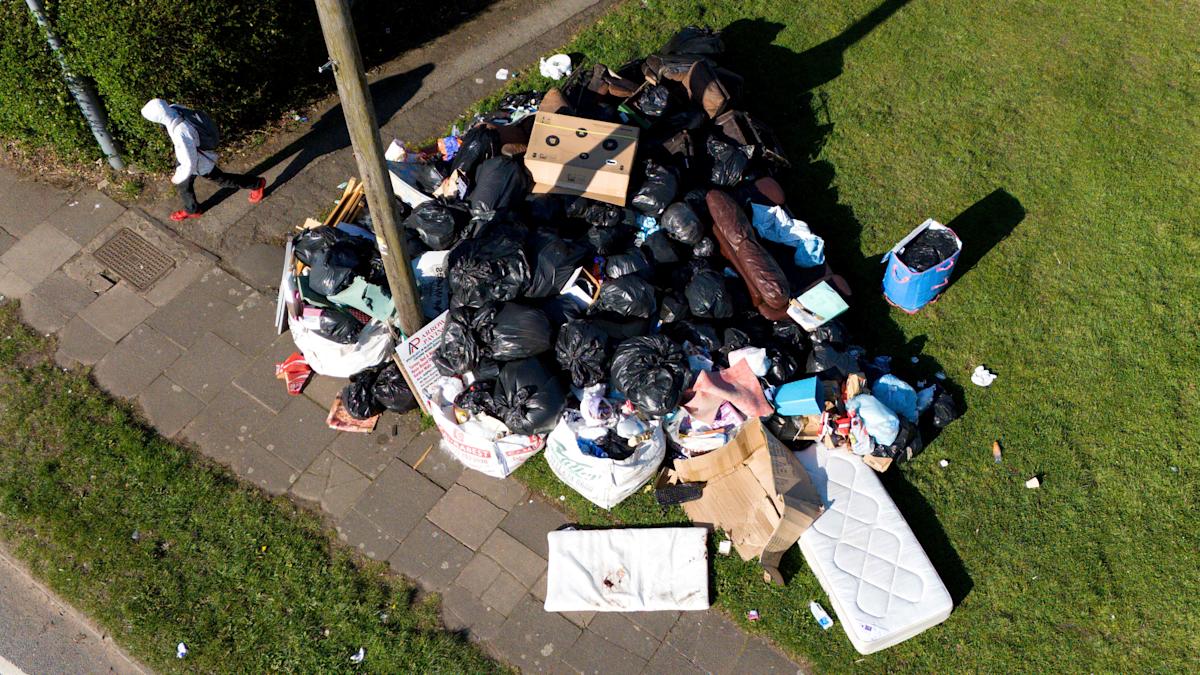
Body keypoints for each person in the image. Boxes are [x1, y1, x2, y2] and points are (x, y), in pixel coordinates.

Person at [140, 98, 266, 222]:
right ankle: (192, 210)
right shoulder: (174, 108)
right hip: (191, 155)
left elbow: (189, 162)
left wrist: (177, 177)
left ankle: (256, 184)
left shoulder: (180, 131)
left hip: (199, 162)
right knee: (184, 185)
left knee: (222, 180)